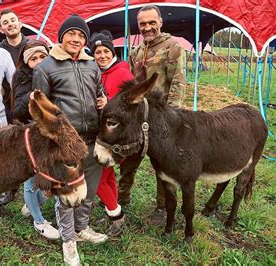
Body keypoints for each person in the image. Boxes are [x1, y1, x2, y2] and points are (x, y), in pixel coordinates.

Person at [32, 14, 108, 266]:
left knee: (90, 189)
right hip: (65, 144)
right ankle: (68, 240)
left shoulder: (92, 65)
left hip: (92, 137)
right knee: (66, 194)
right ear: (61, 37)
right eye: (71, 34)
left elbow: (99, 94)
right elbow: (41, 109)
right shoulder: (46, 68)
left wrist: (104, 100)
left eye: (81, 35)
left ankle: (81, 227)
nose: (76, 39)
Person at [120, 5, 186, 223]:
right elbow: (132, 84)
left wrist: (173, 120)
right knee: (129, 159)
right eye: (142, 24)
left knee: (163, 165)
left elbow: (178, 83)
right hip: (138, 118)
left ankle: (163, 206)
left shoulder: (172, 47)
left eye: (151, 22)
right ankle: (122, 198)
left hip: (161, 119)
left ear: (160, 22)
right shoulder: (137, 51)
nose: (147, 27)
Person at [12, 40, 59, 239]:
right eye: (33, 59)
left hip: (52, 134)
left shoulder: (55, 73)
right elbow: (17, 110)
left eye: (42, 56)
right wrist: (31, 97)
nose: (39, 62)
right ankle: (39, 221)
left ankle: (31, 205)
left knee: (52, 179)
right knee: (32, 181)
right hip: (32, 136)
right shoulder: (22, 79)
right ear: (26, 62)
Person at [89, 30, 134, 237]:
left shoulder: (123, 73)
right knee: (107, 176)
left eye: (106, 51)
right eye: (97, 52)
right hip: (98, 133)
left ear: (112, 51)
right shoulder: (93, 71)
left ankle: (116, 214)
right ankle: (111, 208)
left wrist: (110, 105)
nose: (102, 55)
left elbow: (132, 105)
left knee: (97, 180)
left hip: (114, 137)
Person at [0, 8, 30, 215]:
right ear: (1, 28)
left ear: (20, 23)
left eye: (13, 20)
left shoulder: (33, 45)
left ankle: (30, 193)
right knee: (10, 147)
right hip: (9, 106)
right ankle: (8, 190)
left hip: (31, 105)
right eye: (5, 22)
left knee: (31, 145)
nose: (10, 24)